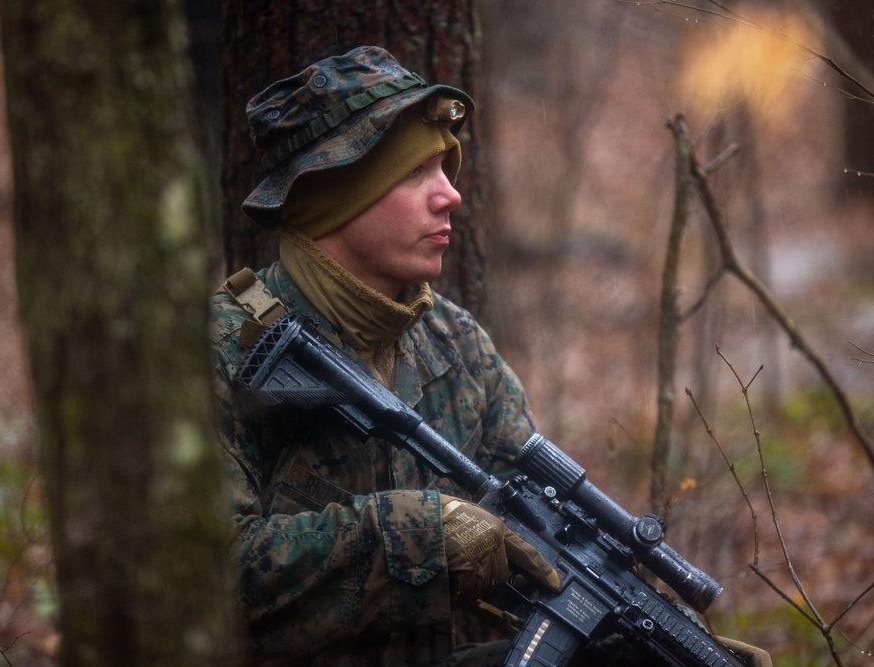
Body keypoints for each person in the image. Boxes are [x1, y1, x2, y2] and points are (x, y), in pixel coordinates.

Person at [211, 45, 770, 667]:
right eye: (414, 173)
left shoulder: (454, 343)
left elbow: (537, 537)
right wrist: (420, 535)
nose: (450, 196)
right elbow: (205, 583)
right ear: (335, 196)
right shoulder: (221, 352)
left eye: (448, 171)